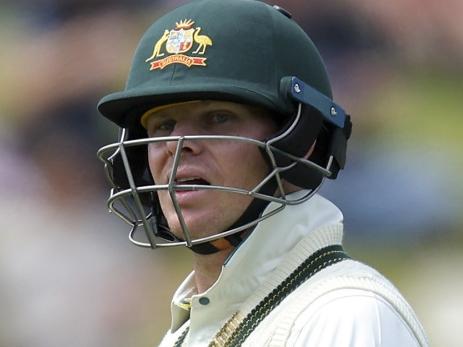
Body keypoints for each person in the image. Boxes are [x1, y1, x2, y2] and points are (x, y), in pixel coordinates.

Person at [97, 0, 428, 345]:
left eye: (217, 118)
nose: (178, 145)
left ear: (301, 142)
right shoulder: (186, 331)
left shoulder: (343, 315)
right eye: (163, 125)